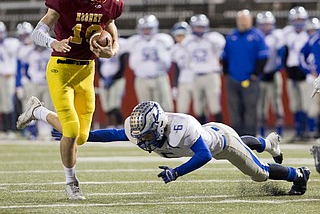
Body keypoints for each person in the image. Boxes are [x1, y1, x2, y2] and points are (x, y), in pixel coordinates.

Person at [18, 96, 310, 196]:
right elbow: (112, 134)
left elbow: (205, 155)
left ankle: (299, 174)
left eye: (145, 136)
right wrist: (79, 135)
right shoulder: (141, 129)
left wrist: (177, 173)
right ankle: (266, 142)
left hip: (219, 140)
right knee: (237, 151)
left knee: (257, 173)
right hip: (211, 138)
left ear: (158, 127)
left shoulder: (184, 129)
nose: (141, 140)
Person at [17, 0, 124, 200]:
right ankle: (71, 182)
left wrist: (112, 50)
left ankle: (38, 112)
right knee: (72, 130)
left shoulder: (113, 2)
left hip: (87, 70)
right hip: (61, 69)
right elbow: (38, 31)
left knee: (82, 137)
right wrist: (53, 42)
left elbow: (113, 30)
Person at [222, 9, 269, 136]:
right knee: (234, 109)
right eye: (241, 19)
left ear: (251, 20)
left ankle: (250, 136)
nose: (243, 22)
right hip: (233, 78)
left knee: (250, 109)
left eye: (245, 19)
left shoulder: (257, 36)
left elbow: (263, 57)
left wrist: (255, 74)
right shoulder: (231, 36)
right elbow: (224, 56)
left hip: (250, 79)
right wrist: (227, 73)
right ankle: (236, 136)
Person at [123, 14, 174, 111]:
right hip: (142, 78)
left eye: (149, 29)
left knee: (165, 108)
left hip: (160, 77)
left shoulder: (162, 40)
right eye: (144, 29)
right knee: (145, 109)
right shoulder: (134, 41)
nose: (147, 31)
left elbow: (167, 62)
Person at [184, 14, 226, 124]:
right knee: (198, 107)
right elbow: (187, 61)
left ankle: (221, 131)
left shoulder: (213, 38)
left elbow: (221, 53)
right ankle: (202, 132)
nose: (199, 29)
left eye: (201, 27)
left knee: (214, 106)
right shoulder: (188, 41)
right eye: (197, 27)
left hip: (211, 75)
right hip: (196, 76)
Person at [282, 6, 310, 141]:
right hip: (291, 74)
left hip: (306, 75)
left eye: (301, 19)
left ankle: (308, 131)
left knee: (307, 104)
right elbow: (284, 53)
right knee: (295, 105)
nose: (298, 22)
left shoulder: (309, 34)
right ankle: (299, 131)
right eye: (296, 19)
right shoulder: (287, 34)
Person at [255, 11, 285, 137]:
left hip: (274, 73)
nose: (266, 27)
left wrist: (278, 67)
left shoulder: (277, 36)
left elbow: (281, 54)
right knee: (261, 104)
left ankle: (280, 132)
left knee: (277, 102)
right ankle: (262, 132)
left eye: (268, 24)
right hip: (261, 75)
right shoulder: (256, 37)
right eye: (263, 25)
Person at [97, 37, 127, 128]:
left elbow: (123, 64)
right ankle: (110, 125)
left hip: (117, 80)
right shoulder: (99, 46)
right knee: (106, 105)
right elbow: (98, 65)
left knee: (115, 105)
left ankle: (119, 125)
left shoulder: (120, 45)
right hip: (104, 80)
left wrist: (113, 78)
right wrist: (103, 77)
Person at [299, 17, 320, 139]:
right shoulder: (312, 40)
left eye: (314, 30)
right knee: (313, 107)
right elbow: (302, 56)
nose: (312, 32)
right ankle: (314, 130)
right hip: (317, 77)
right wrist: (309, 70)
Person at [0, 21, 21, 139]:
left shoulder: (12, 43)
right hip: (1, 77)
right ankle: (5, 128)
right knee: (3, 104)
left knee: (10, 103)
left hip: (10, 77)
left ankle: (12, 128)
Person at [170, 21, 194, 113]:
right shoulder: (175, 49)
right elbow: (176, 69)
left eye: (183, 35)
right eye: (178, 35)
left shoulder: (195, 45)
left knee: (200, 108)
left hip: (196, 80)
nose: (181, 38)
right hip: (183, 81)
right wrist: (175, 85)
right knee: (182, 110)